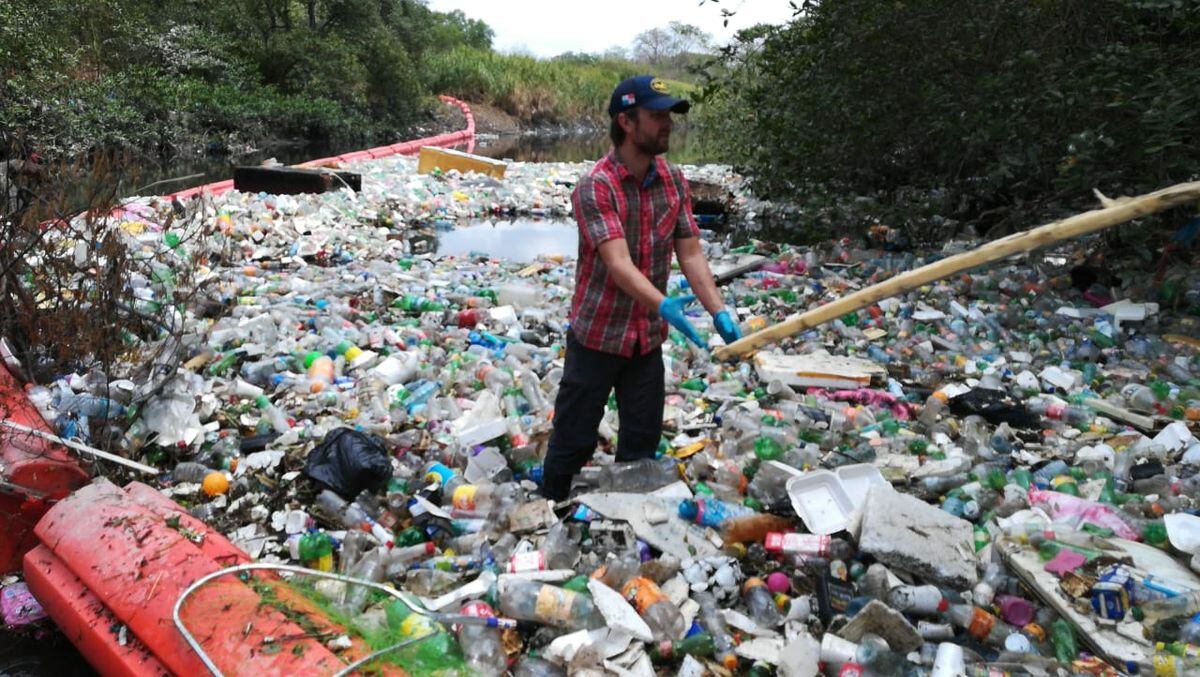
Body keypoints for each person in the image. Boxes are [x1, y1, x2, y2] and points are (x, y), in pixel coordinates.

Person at [540, 75, 742, 501]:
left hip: (645, 340)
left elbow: (690, 252)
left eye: (669, 115)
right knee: (574, 438)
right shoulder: (597, 186)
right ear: (626, 122)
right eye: (656, 116)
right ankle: (551, 510)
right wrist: (665, 304)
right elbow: (618, 263)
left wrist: (719, 311)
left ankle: (627, 513)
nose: (667, 124)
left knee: (642, 441)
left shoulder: (672, 179)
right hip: (598, 336)